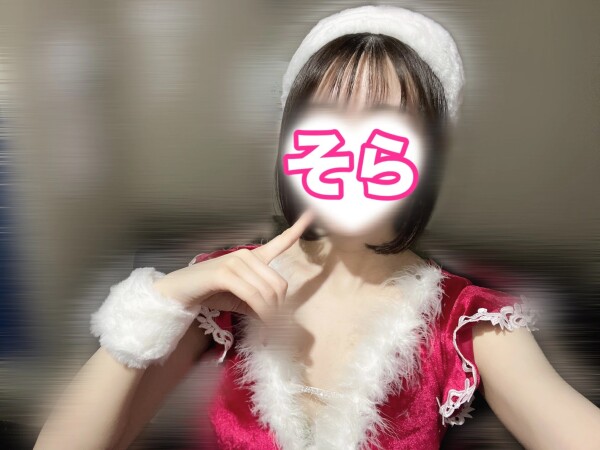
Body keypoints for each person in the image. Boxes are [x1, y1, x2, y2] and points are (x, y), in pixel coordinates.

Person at [34, 5, 600, 450]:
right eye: (328, 124)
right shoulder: (224, 288)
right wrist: (159, 302)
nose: (352, 153)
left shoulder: (468, 321)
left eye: (385, 127)